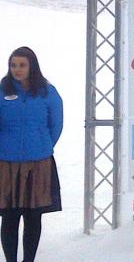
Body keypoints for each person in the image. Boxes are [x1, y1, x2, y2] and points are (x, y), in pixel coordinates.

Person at [0, 47, 63, 262]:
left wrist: (42, 146)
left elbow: (55, 126)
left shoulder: (48, 92)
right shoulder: (1, 90)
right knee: (9, 218)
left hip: (38, 164)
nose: (17, 69)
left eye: (22, 65)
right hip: (6, 163)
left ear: (32, 66)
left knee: (33, 217)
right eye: (13, 65)